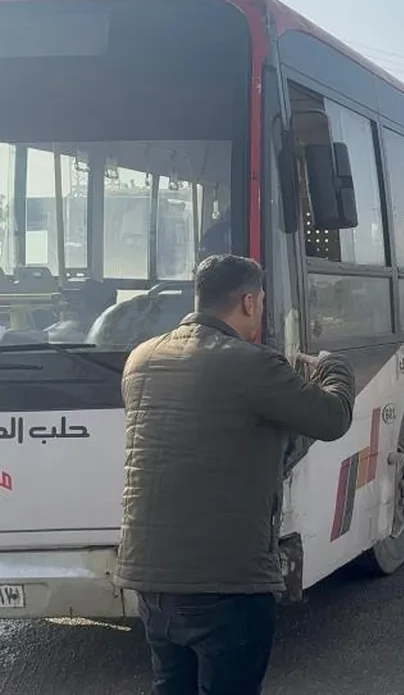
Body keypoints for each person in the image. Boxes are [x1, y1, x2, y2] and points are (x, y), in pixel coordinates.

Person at [115, 254, 356, 694]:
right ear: (248, 301)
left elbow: (216, 446)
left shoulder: (141, 360)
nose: (260, 313)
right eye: (261, 303)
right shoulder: (253, 363)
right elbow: (333, 417)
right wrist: (331, 368)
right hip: (226, 584)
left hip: (151, 583)